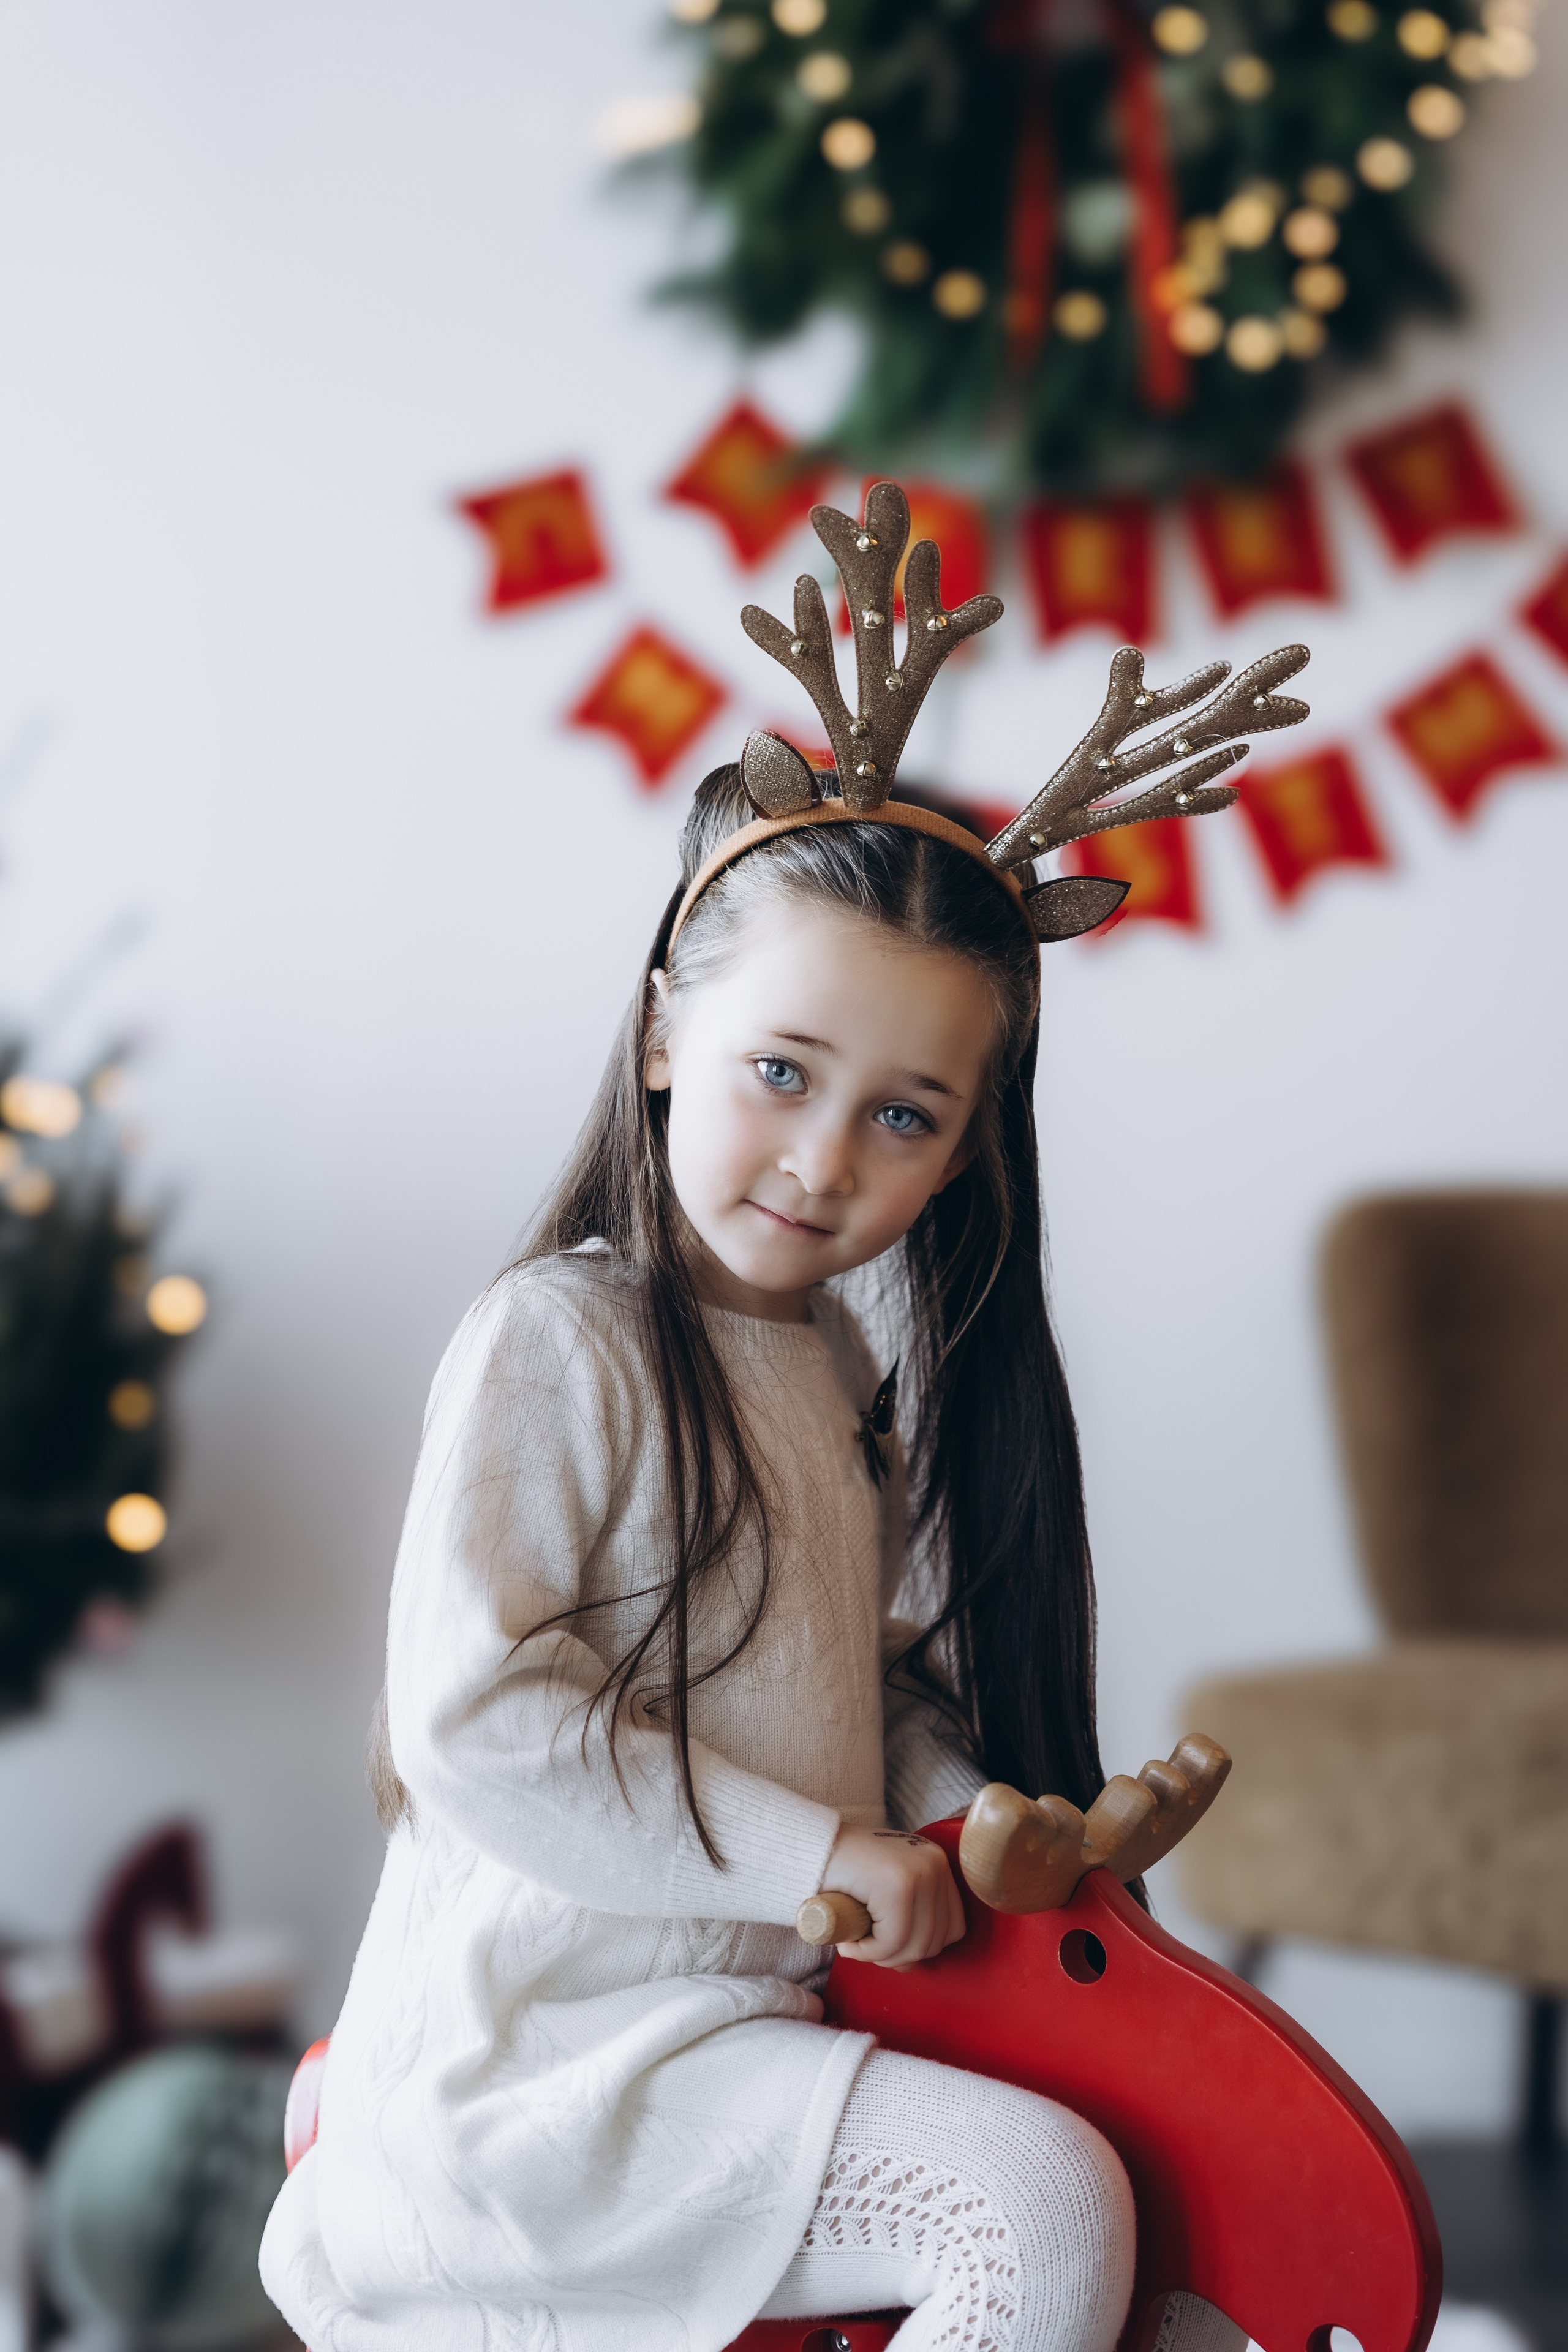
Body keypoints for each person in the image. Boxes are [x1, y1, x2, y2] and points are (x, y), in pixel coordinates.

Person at [260, 484, 1305, 2352]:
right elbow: (478, 1719)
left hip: (736, 2027)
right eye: (780, 1073)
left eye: (904, 1115)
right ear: (667, 1034)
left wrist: (974, 1814)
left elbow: (841, 1686)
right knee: (1039, 2205)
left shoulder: (833, 1375)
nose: (825, 1160)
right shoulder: (559, 1340)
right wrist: (812, 1858)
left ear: (967, 1153)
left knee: (1169, 2229)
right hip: (550, 2070)